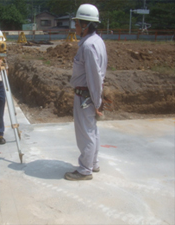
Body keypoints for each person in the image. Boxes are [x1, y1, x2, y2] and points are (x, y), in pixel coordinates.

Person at [65, 4, 107, 180]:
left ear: (86, 25)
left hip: (85, 96)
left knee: (85, 134)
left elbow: (94, 76)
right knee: (92, 131)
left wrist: (97, 102)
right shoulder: (97, 41)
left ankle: (84, 170)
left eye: (77, 23)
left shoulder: (88, 46)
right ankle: (93, 163)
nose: (74, 27)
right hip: (90, 95)